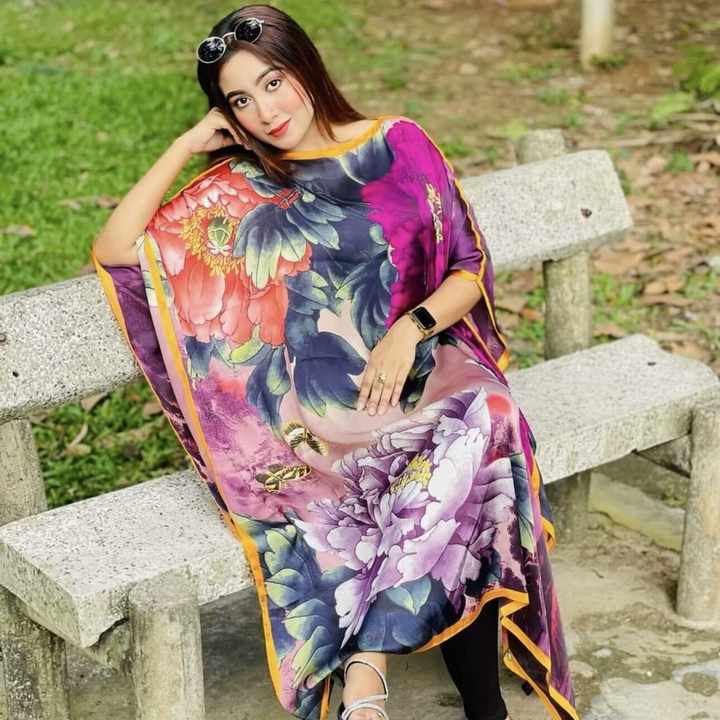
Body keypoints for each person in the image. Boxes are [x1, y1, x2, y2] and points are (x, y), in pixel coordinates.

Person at [91, 5, 578, 720]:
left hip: (430, 373)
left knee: (485, 417)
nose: (265, 111)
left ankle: (366, 672)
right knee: (469, 474)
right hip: (328, 418)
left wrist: (409, 328)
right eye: (240, 101)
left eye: (273, 82)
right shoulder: (245, 192)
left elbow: (468, 266)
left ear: (306, 66)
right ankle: (480, 708)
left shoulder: (400, 143)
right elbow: (115, 250)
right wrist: (184, 145)